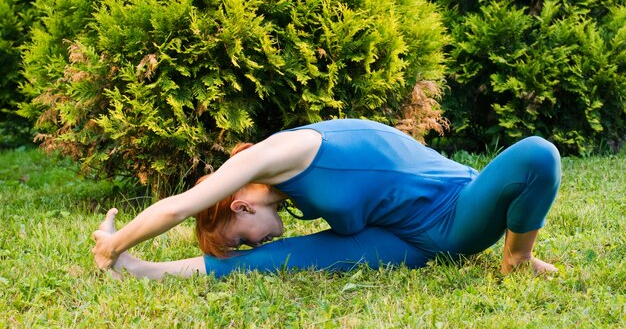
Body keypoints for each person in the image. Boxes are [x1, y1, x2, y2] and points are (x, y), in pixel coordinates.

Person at [92, 118, 561, 280]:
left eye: (244, 238)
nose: (256, 241)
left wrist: (110, 244)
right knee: (275, 261)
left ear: (241, 205)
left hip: (454, 214)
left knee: (538, 154)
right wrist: (125, 253)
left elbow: (178, 207)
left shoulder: (275, 155)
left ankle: (517, 259)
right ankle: (141, 269)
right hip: (402, 241)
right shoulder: (282, 192)